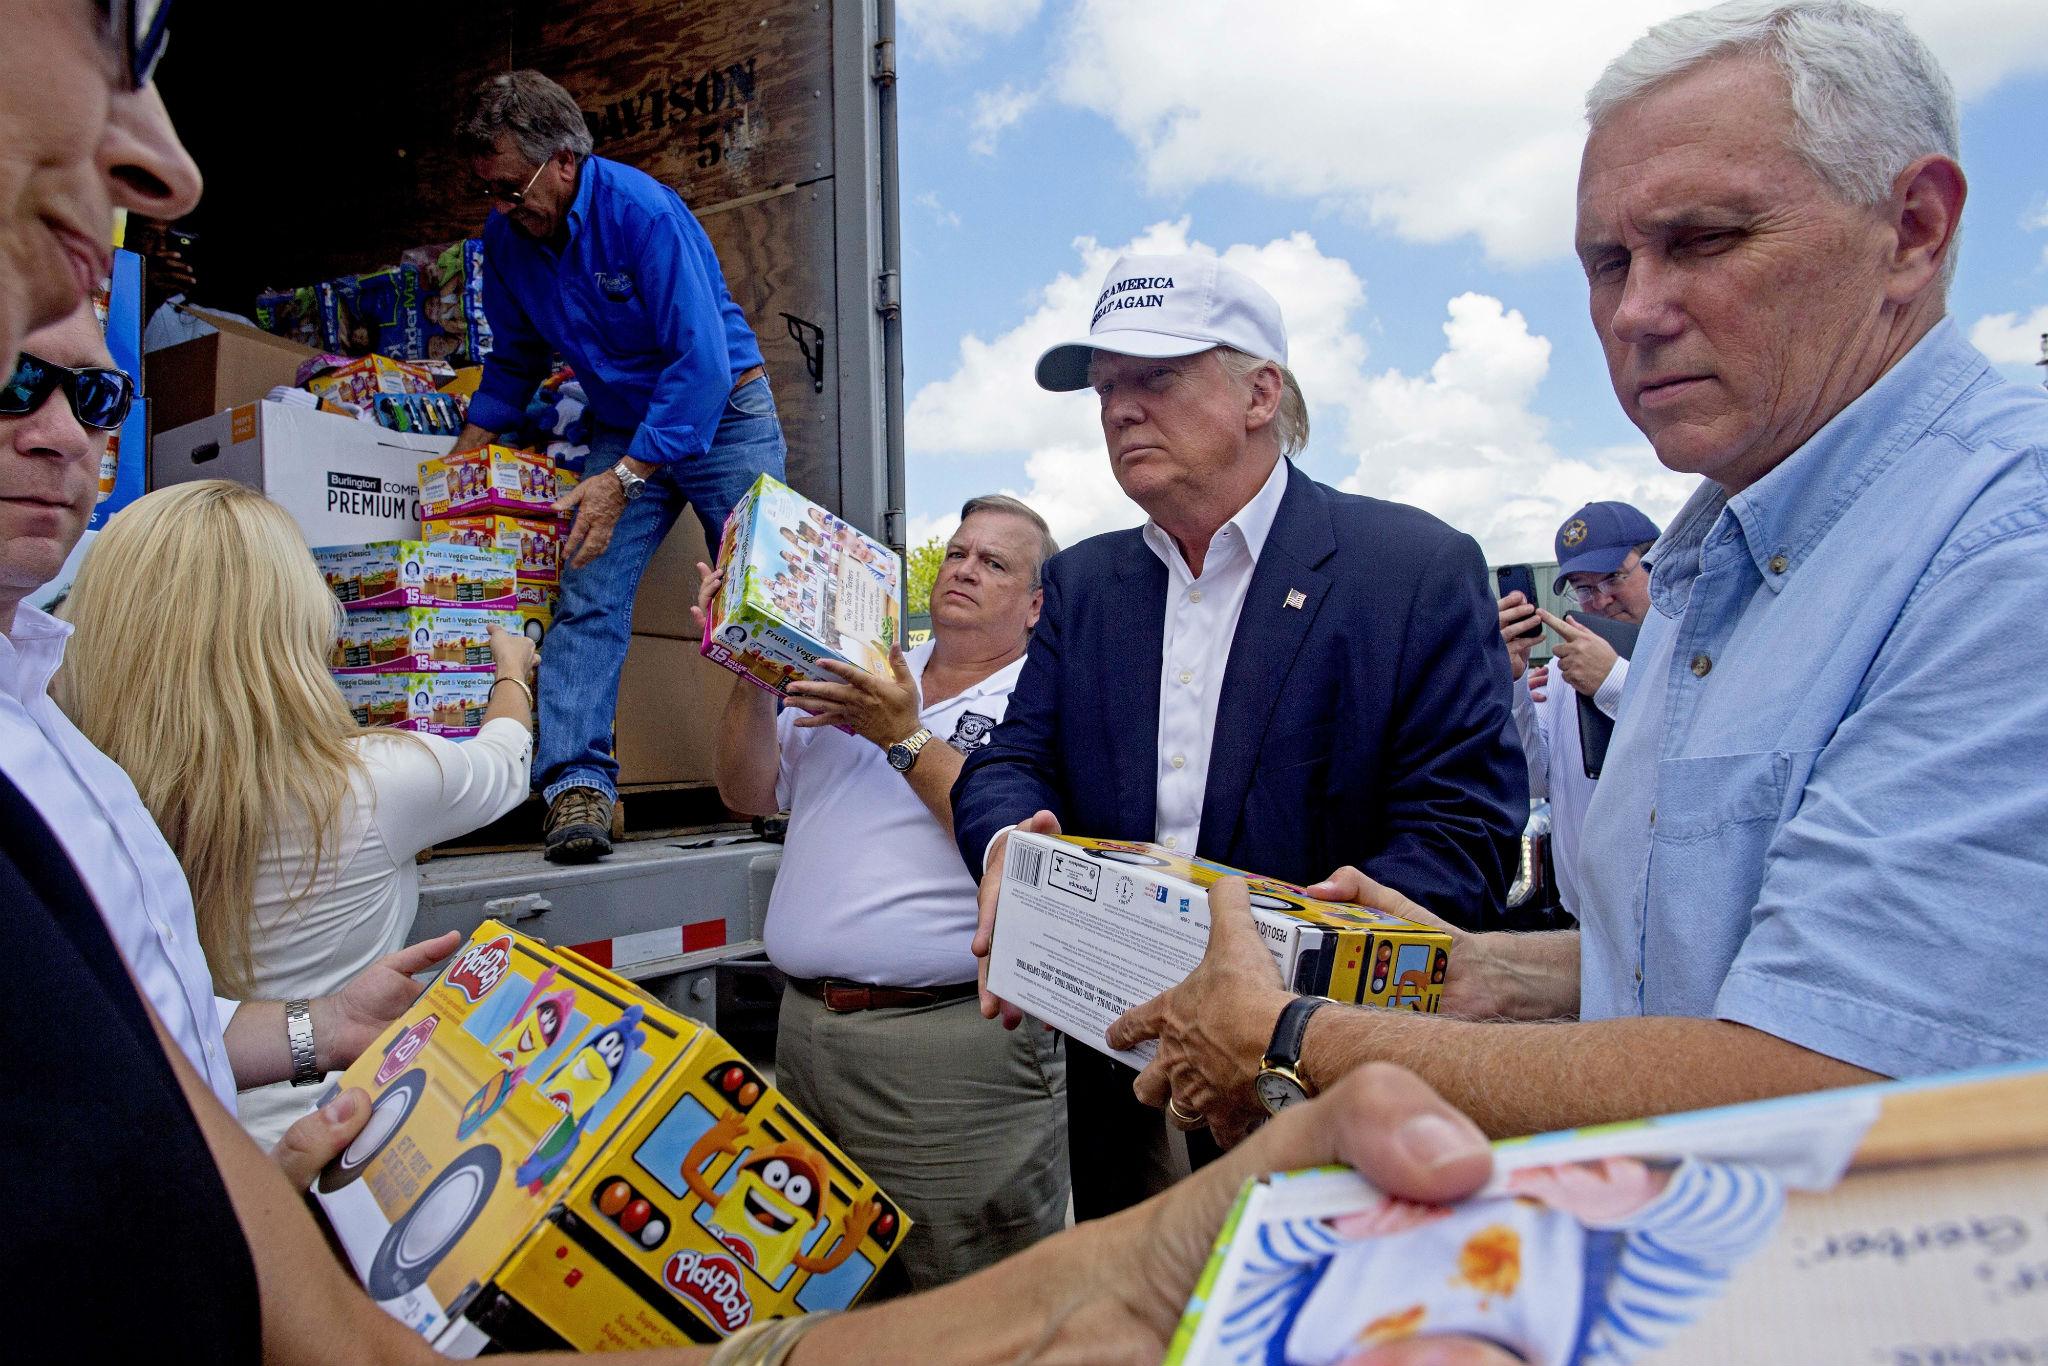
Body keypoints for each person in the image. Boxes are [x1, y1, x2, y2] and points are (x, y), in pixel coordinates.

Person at [1109, 0, 2048, 1148]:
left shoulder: (2003, 547)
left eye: (1701, 239)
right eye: (1605, 262)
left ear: (1910, 228)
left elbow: (1832, 1082)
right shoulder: (1724, 550)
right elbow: (1703, 970)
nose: (1633, 313)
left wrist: (1296, 1035)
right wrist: (1483, 975)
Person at [952, 251, 1527, 1218]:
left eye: (1156, 379)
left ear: (1262, 392)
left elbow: (1460, 837)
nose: (1119, 410)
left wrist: (1285, 983)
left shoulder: (1410, 568)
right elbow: (1012, 759)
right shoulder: (1088, 586)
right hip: (1119, 1065)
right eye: (1104, 390)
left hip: (1320, 1080)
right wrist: (1013, 839)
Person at [1, 300, 454, 1119]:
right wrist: (514, 678)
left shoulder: (51, 720)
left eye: (97, 397)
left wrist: (320, 1025)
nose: (62, 433)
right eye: (11, 379)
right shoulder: (377, 783)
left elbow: (133, 1014)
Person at [55, 479, 538, 1146]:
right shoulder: (372, 784)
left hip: (173, 1148)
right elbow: (505, 763)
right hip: (332, 1146)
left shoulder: (71, 788)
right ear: (294, 622)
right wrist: (510, 671)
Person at [700, 494, 1069, 1292]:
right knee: (827, 1285)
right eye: (960, 553)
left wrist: (901, 735)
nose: (965, 569)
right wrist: (750, 661)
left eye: (995, 563)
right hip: (804, 1033)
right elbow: (746, 791)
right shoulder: (863, 662)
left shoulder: (1041, 702)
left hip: (946, 1049)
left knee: (968, 1296)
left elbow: (1024, 851)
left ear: (1036, 605)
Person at [449, 70, 787, 863]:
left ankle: (789, 781)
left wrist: (625, 476)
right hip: (624, 422)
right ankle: (578, 790)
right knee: (589, 592)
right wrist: (462, 453)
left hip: (725, 413)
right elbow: (515, 363)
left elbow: (699, 367)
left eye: (509, 186)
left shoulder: (643, 214)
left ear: (563, 161)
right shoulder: (508, 241)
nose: (500, 207)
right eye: (487, 192)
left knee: (762, 602)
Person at [1497, 501, 1657, 916]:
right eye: (1584, 588)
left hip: (1664, 931)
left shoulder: (1696, 653)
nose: (1600, 600)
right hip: (1583, 922)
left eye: (1613, 578)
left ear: (1658, 564)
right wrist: (1513, 681)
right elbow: (1535, 781)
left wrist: (1613, 681)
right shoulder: (1558, 669)